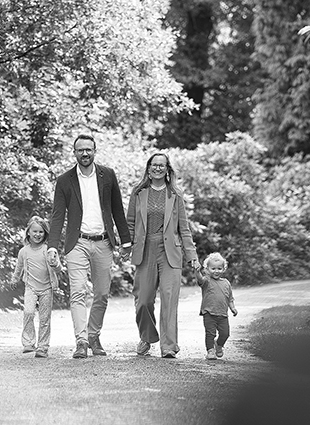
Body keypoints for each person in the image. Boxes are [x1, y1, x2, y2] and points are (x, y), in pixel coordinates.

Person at [47, 134, 132, 359]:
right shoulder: (65, 181)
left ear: (95, 151)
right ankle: (81, 341)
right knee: (77, 292)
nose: (85, 153)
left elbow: (117, 210)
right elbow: (57, 216)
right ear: (74, 153)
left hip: (103, 242)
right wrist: (52, 245)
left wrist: (126, 241)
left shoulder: (108, 176)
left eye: (88, 149)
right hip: (78, 243)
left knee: (102, 294)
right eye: (80, 150)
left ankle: (93, 335)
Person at [126, 153, 200, 358]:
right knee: (143, 299)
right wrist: (126, 246)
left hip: (170, 251)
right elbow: (130, 223)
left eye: (162, 165)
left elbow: (183, 228)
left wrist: (191, 254)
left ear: (168, 170)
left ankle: (168, 346)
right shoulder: (138, 192)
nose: (158, 168)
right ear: (148, 168)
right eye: (154, 165)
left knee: (169, 298)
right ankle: (147, 337)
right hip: (145, 248)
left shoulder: (175, 194)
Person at [11, 216, 61, 358]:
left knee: (45, 318)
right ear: (28, 232)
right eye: (35, 231)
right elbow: (19, 267)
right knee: (28, 312)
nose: (38, 234)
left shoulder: (48, 250)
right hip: (30, 287)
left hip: (47, 289)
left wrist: (55, 264)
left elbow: (58, 268)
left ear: (45, 234)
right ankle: (28, 342)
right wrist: (15, 279)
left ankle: (43, 347)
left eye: (41, 232)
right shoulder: (24, 251)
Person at [195, 252, 238, 360]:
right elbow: (200, 280)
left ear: (223, 269)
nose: (216, 271)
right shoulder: (207, 281)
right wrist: (197, 271)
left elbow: (230, 298)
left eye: (219, 268)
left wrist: (232, 308)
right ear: (207, 269)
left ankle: (218, 345)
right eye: (213, 268)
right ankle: (210, 351)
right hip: (209, 313)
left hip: (223, 314)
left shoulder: (226, 283)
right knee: (210, 333)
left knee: (225, 333)